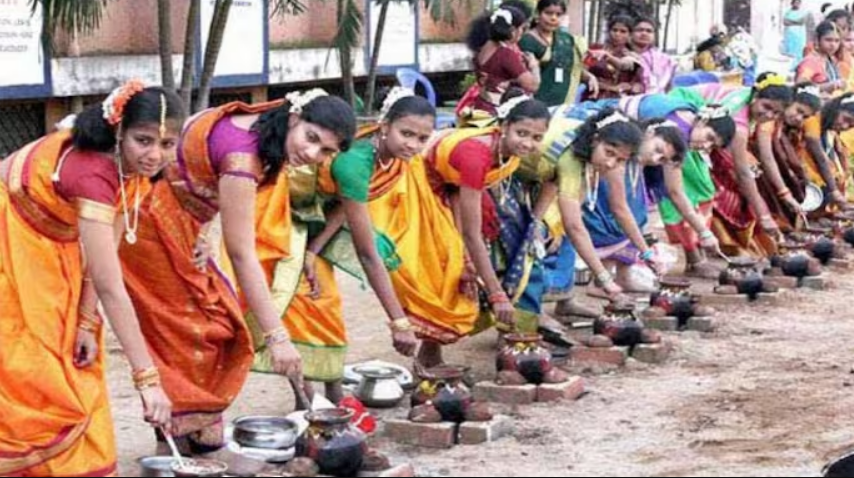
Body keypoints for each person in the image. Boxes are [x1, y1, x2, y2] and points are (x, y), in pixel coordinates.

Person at [119, 90, 357, 452]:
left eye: (326, 151)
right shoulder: (243, 156)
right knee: (187, 330)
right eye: (311, 138)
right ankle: (171, 441)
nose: (312, 154)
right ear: (294, 117)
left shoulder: (266, 129)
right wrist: (278, 337)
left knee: (213, 323)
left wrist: (199, 226)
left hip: (180, 223)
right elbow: (242, 253)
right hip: (149, 226)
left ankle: (194, 424)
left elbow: (194, 168)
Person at [0, 82, 180, 476]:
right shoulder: (92, 172)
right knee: (32, 371)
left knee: (73, 358)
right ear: (119, 132)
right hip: (9, 242)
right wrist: (147, 379)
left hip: (53, 249)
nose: (155, 155)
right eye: (144, 140)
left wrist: (85, 320)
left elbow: (106, 254)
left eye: (167, 144)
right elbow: (113, 287)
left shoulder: (129, 168)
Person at [566, 94, 734, 279]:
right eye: (709, 137)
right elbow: (671, 193)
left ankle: (606, 275)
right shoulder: (617, 158)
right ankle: (597, 275)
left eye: (662, 159)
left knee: (637, 210)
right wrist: (647, 253)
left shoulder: (650, 151)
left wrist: (704, 233)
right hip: (584, 148)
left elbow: (673, 191)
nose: (655, 160)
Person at [425, 95, 551, 333]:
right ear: (504, 127)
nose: (527, 143)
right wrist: (496, 294)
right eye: (521, 133)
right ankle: (429, 353)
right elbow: (471, 234)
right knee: (444, 265)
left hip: (452, 189)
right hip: (422, 189)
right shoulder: (476, 155)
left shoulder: (508, 152)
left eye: (536, 137)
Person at [541, 107, 644, 300]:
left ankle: (564, 298)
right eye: (609, 152)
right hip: (511, 180)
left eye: (620, 160)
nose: (611, 163)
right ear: (595, 139)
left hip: (540, 189)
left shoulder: (587, 153)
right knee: (540, 236)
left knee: (564, 229)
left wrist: (646, 253)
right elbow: (574, 226)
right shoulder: (571, 158)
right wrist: (604, 279)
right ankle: (534, 308)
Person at [754, 84, 826, 230]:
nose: (799, 118)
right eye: (798, 111)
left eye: (804, 117)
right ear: (789, 102)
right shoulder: (768, 121)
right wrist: (784, 192)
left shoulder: (783, 124)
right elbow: (767, 157)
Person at [461, 6, 540, 118]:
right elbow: (532, 86)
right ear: (513, 30)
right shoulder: (506, 55)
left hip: (481, 109)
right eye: (522, 28)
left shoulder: (481, 51)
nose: (522, 33)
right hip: (500, 112)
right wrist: (534, 66)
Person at [519, 0, 598, 107]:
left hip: (564, 103)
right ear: (538, 14)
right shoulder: (527, 41)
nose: (553, 18)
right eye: (548, 13)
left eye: (558, 14)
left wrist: (589, 77)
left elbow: (569, 68)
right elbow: (522, 74)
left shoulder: (566, 39)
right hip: (535, 102)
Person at [584, 13, 644, 100]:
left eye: (623, 31)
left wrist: (607, 56)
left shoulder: (632, 56)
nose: (617, 34)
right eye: (614, 30)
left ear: (630, 35)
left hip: (620, 100)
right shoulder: (595, 49)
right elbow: (582, 72)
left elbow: (623, 66)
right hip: (592, 97)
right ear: (609, 31)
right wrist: (611, 87)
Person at [797, 21, 847, 97]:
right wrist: (827, 86)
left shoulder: (831, 60)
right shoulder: (810, 62)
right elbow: (800, 87)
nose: (833, 45)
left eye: (837, 41)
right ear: (817, 39)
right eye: (828, 40)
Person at [632, 16, 677, 95]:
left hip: (657, 102)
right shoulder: (624, 56)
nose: (644, 33)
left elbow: (668, 88)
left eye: (649, 31)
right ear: (631, 33)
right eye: (639, 30)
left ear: (654, 36)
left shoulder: (666, 60)